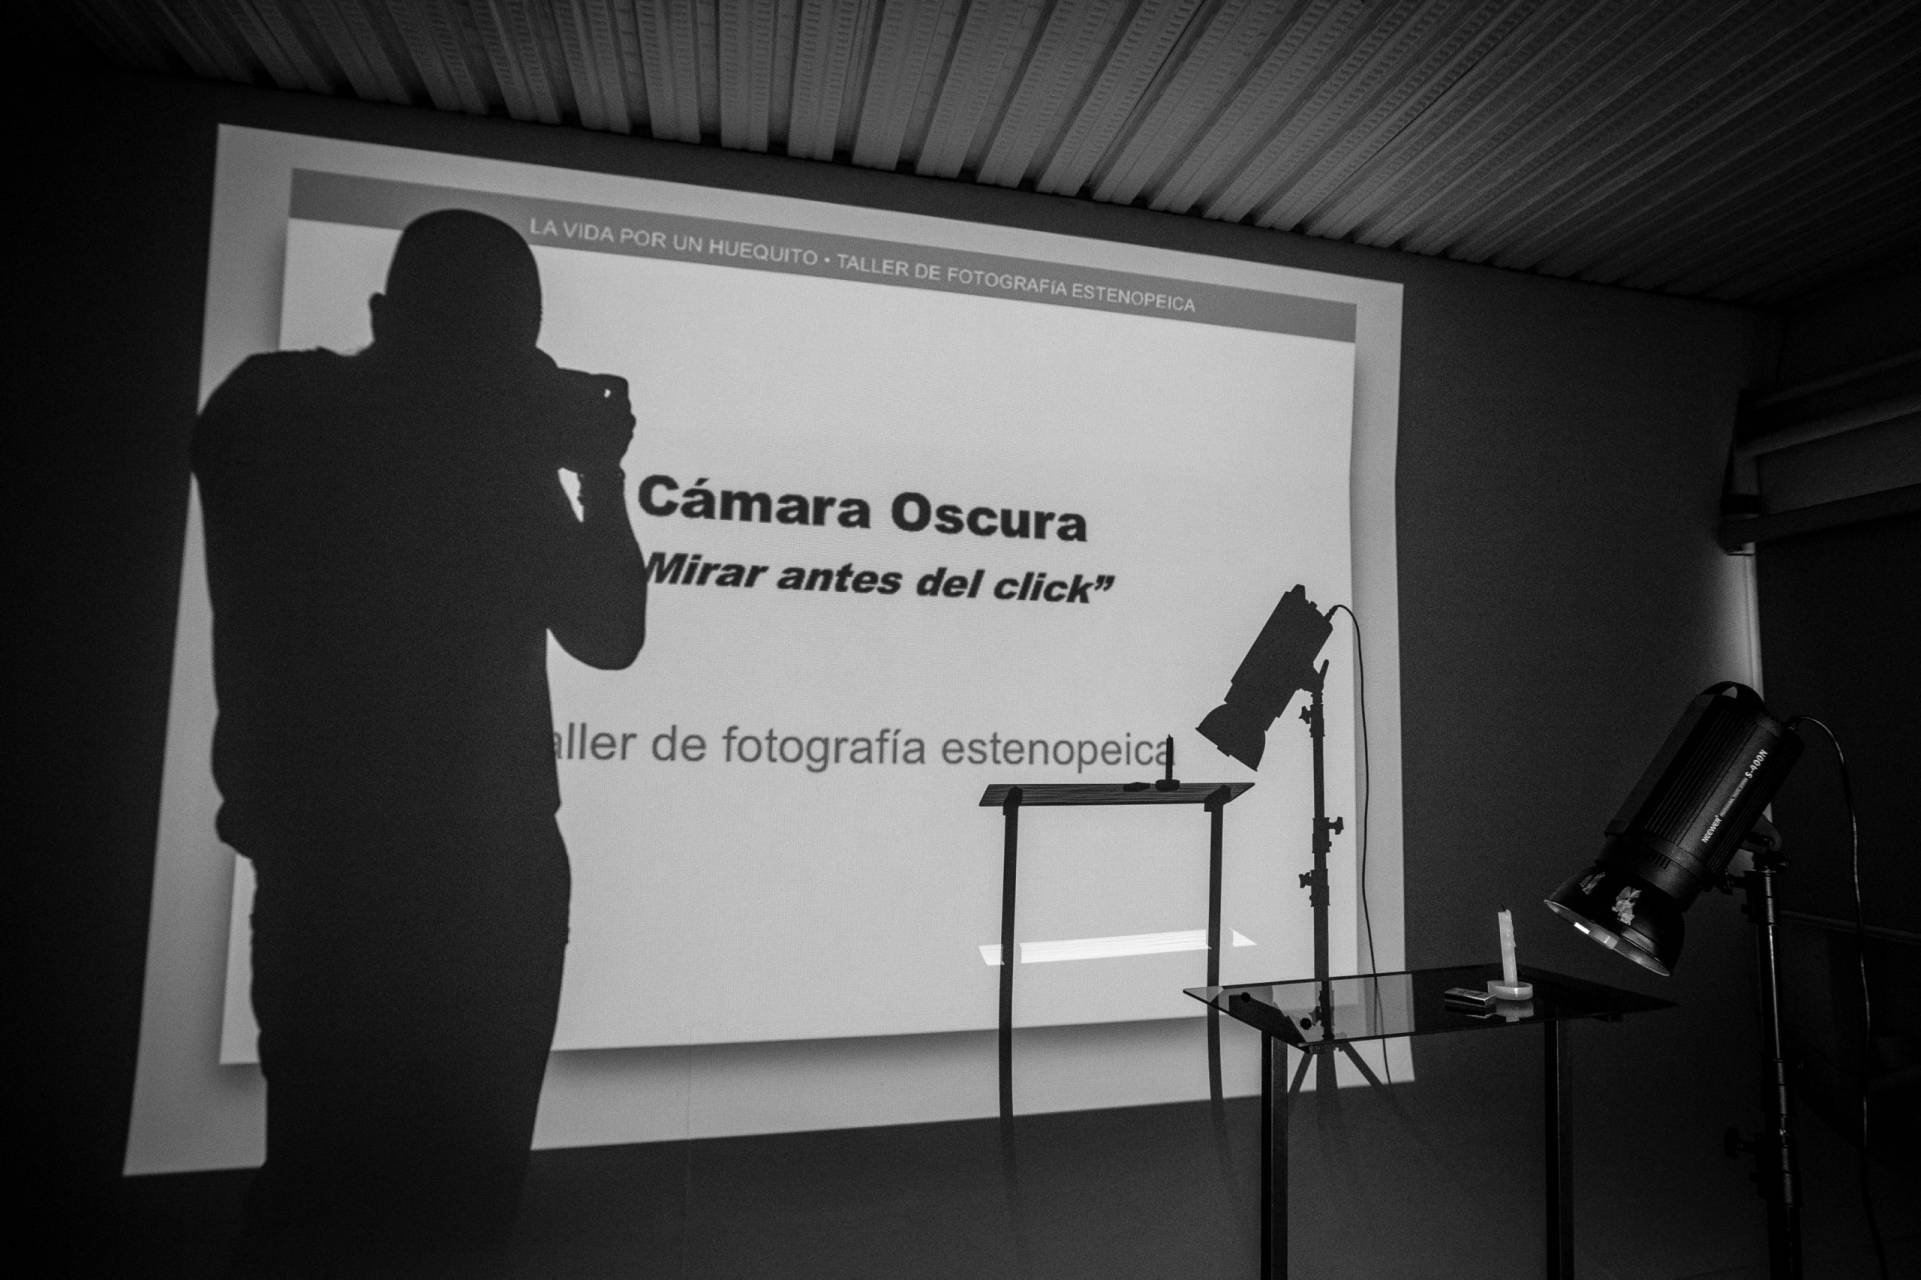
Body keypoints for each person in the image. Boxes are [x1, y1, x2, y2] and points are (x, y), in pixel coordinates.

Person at [194, 209, 647, 1276]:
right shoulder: (300, 410)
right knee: (394, 1201)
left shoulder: (289, 410)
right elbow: (608, 632)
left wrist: (586, 472)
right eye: (497, 345)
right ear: (381, 318)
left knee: (359, 1194)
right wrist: (564, 452)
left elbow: (607, 636)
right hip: (422, 873)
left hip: (378, 872)